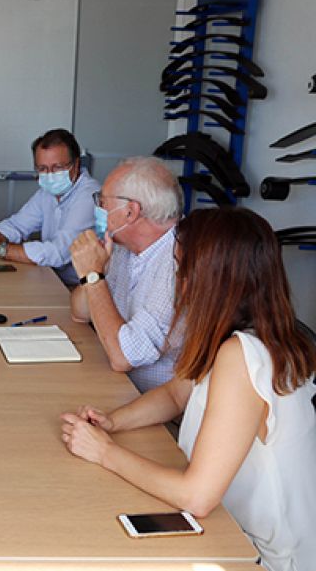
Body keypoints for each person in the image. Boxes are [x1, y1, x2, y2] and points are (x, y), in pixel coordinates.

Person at [61, 207, 316, 570]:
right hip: (237, 528)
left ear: (211, 276)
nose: (175, 277)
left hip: (263, 554)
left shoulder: (241, 355)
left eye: (180, 265)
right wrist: (112, 424)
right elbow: (175, 394)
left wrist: (104, 453)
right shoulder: (244, 333)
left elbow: (196, 496)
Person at [69, 157, 183, 392]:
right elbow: (80, 313)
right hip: (118, 385)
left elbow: (123, 358)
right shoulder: (122, 247)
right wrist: (92, 271)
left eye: (102, 201)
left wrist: (93, 276)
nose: (98, 209)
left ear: (130, 212)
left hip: (159, 412)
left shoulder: (179, 262)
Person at [0, 129, 99, 286]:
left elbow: (58, 252)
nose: (49, 175)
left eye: (57, 167)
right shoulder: (47, 193)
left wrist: (0, 249)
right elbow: (18, 224)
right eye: (42, 169)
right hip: (50, 277)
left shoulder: (90, 196)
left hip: (81, 287)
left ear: (76, 165)